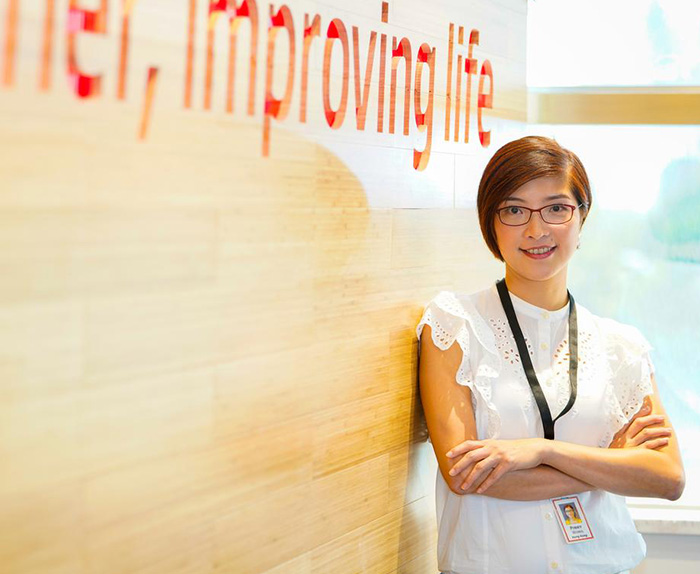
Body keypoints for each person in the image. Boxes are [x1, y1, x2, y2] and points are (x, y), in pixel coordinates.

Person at [415, 136, 685, 574]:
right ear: (491, 223)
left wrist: (540, 451)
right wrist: (612, 460)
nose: (537, 230)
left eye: (557, 209)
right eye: (515, 210)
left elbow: (668, 478)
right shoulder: (453, 324)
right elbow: (465, 475)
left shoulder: (621, 346)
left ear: (582, 217)